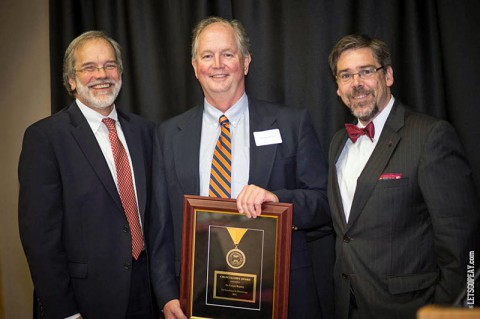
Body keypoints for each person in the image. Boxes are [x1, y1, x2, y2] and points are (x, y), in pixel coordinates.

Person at [149, 16, 333, 319]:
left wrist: (279, 200)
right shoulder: (168, 135)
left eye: (228, 54)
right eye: (207, 56)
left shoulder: (290, 124)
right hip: (198, 297)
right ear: (195, 67)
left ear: (245, 62)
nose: (217, 64)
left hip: (277, 296)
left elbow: (324, 202)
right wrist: (167, 294)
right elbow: (160, 225)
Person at [327, 33, 480, 319]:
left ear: (388, 76)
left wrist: (453, 309)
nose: (356, 83)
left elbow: (463, 243)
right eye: (345, 75)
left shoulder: (430, 136)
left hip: (412, 308)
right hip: (347, 306)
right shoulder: (338, 143)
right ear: (337, 88)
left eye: (366, 71)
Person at [18, 31, 159, 318]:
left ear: (120, 72)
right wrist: (66, 311)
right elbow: (40, 239)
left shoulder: (146, 132)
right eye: (89, 67)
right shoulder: (45, 138)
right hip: (84, 301)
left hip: (146, 294)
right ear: (71, 79)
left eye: (109, 65)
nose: (102, 74)